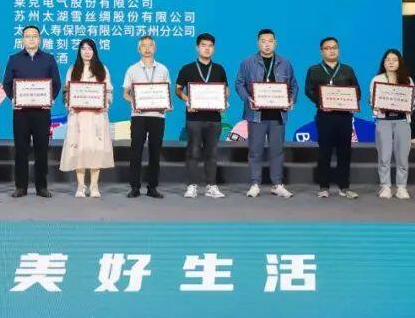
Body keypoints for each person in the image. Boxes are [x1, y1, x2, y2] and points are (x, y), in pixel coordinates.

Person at [234, 29, 298, 198]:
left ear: (275, 43)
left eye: (270, 41)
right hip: (256, 115)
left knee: (277, 151)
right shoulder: (247, 62)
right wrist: (248, 99)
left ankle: (277, 184)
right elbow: (239, 83)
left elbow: (294, 85)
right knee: (255, 151)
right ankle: (255, 183)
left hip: (278, 115)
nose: (267, 44)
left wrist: (291, 100)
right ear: (258, 43)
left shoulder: (285, 63)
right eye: (263, 41)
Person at [2, 25, 61, 198]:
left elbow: (56, 83)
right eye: (27, 36)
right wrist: (14, 99)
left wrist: (50, 98)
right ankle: (21, 186)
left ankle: (42, 186)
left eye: (34, 36)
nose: (31, 39)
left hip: (42, 111)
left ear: (39, 39)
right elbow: (7, 83)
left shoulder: (49, 59)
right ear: (22, 39)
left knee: (41, 148)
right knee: (21, 149)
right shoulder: (14, 59)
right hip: (21, 112)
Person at [304, 36, 361, 199]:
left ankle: (344, 187)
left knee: (345, 152)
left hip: (344, 117)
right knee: (325, 152)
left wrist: (351, 101)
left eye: (334, 48)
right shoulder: (314, 70)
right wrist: (321, 102)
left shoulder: (347, 70)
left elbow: (357, 91)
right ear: (321, 51)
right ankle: (324, 187)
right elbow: (308, 90)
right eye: (327, 48)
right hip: (325, 116)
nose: (331, 51)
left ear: (339, 50)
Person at [175, 33, 228, 199]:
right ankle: (192, 186)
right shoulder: (187, 68)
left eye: (210, 45)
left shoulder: (219, 69)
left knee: (212, 153)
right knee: (193, 151)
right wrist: (187, 100)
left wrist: (223, 100)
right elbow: (178, 90)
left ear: (214, 48)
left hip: (214, 119)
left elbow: (226, 90)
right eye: (203, 45)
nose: (207, 48)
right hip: (194, 118)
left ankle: (211, 186)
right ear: (197, 47)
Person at [60, 38, 114, 198]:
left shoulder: (102, 69)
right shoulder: (73, 69)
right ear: (79, 51)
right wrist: (69, 104)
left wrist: (105, 103)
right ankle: (81, 186)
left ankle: (94, 186)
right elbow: (66, 92)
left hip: (97, 116)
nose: (87, 52)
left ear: (94, 51)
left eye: (90, 48)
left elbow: (108, 91)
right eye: (83, 48)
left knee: (95, 149)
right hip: (78, 116)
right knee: (80, 149)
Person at [122, 35, 171, 198]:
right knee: (135, 152)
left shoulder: (163, 69)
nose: (147, 48)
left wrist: (167, 104)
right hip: (138, 116)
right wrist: (135, 102)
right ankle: (134, 187)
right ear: (139, 49)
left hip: (158, 116)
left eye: (150, 45)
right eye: (144, 45)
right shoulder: (132, 69)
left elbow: (166, 93)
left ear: (154, 48)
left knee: (155, 152)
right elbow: (125, 93)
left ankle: (152, 188)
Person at [372, 49, 415, 200]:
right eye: (388, 59)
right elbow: (372, 100)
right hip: (384, 121)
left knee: (402, 156)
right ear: (383, 63)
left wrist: (409, 106)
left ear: (399, 63)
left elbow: (413, 101)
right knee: (384, 156)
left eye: (394, 60)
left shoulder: (407, 80)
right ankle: (385, 186)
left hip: (402, 121)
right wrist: (375, 106)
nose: (391, 62)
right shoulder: (377, 79)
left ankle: (402, 187)